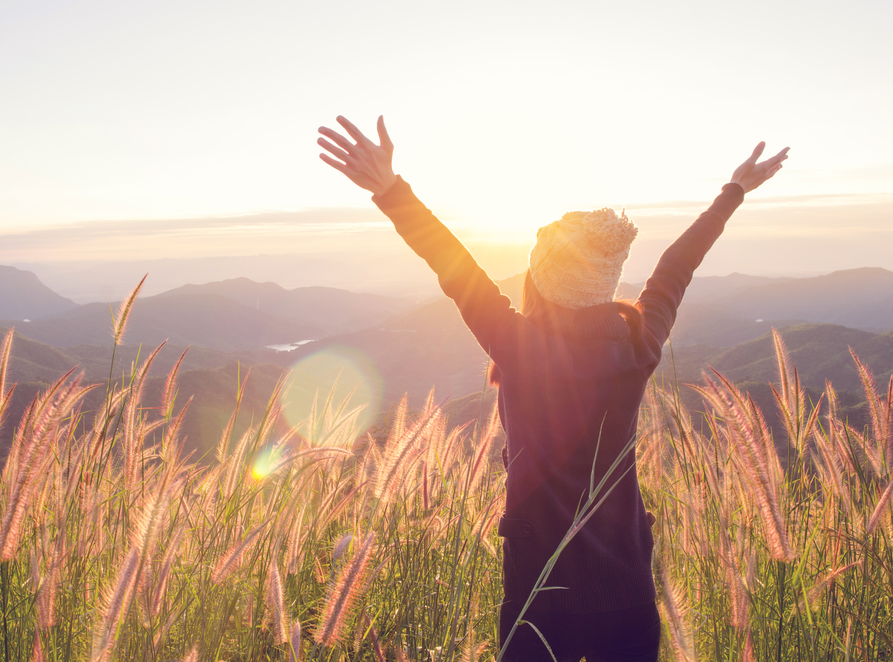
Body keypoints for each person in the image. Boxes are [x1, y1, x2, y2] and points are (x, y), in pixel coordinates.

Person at [317, 115, 788, 662]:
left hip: (537, 596)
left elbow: (454, 266)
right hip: (627, 590)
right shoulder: (639, 344)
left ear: (539, 279)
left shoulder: (520, 347)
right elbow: (675, 269)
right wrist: (733, 191)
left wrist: (391, 190)